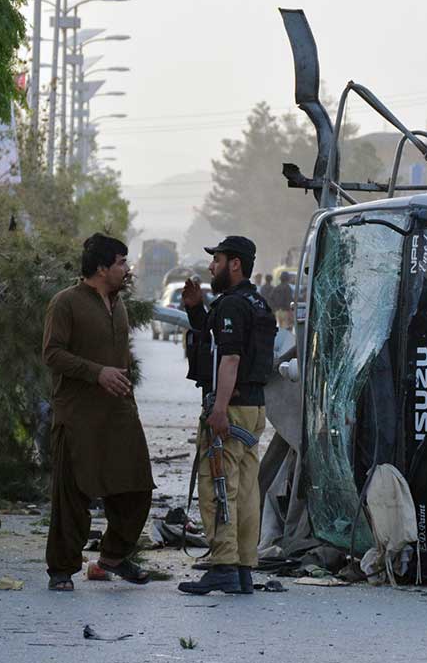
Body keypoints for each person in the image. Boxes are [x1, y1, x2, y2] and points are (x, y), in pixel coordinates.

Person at [42, 233, 156, 592]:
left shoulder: (118, 305)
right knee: (72, 495)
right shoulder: (66, 303)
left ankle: (114, 557)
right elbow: (52, 354)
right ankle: (62, 569)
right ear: (102, 268)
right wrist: (97, 373)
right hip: (77, 415)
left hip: (119, 413)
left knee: (137, 486)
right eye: (121, 262)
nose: (127, 269)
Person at [178, 236, 277, 595]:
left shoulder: (233, 305)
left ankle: (223, 565)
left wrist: (218, 409)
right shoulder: (256, 302)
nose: (211, 266)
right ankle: (243, 568)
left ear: (235, 264)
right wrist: (196, 310)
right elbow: (217, 340)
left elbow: (230, 358)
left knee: (217, 484)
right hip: (253, 408)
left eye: (217, 260)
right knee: (246, 490)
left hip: (231, 410)